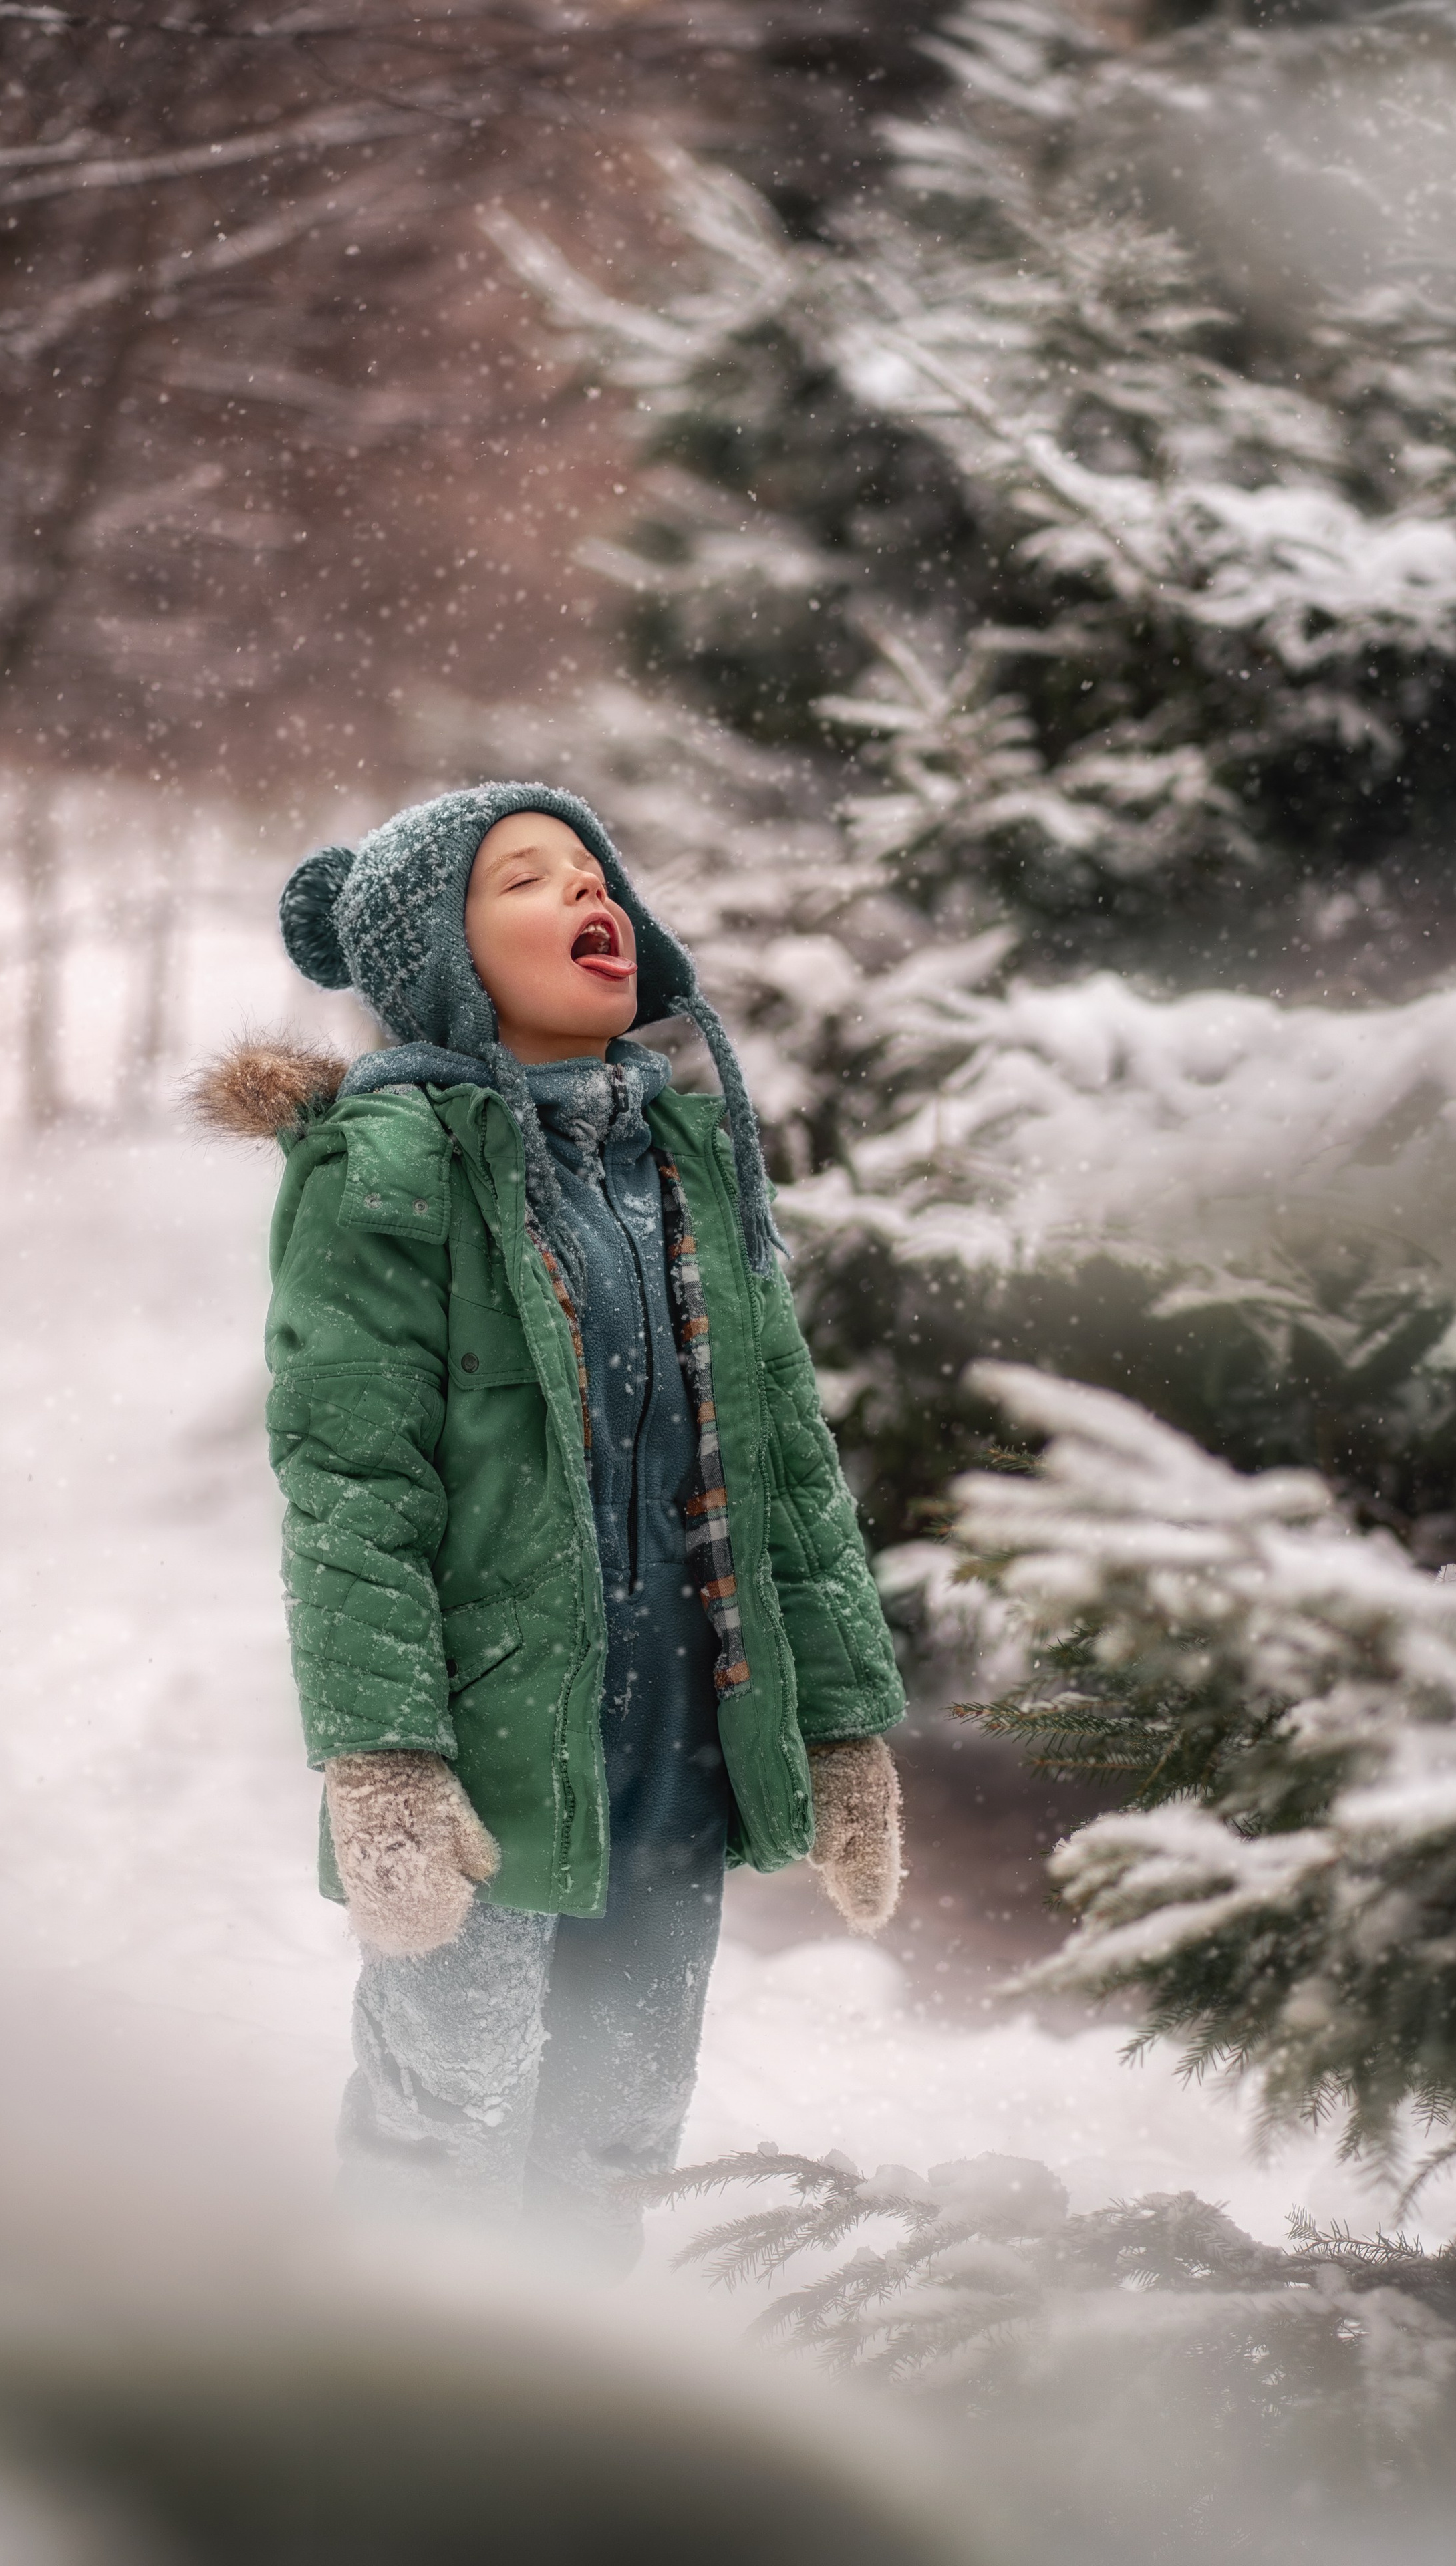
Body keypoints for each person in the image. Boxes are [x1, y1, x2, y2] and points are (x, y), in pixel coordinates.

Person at [196, 783, 905, 2263]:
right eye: (526, 877)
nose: (587, 896)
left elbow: (782, 1457)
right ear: (442, 957)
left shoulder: (685, 1162)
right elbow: (351, 1486)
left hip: (681, 1738)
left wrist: (838, 1725)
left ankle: (565, 2425)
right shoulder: (386, 1168)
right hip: (489, 1747)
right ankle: (404, 2421)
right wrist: (382, 1758)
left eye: (593, 872)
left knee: (621, 2122)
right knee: (445, 2115)